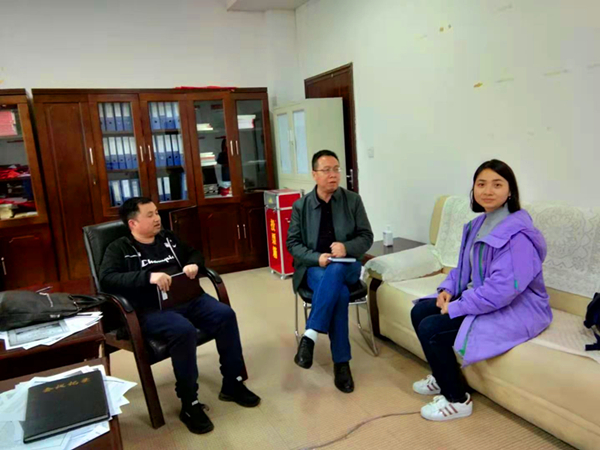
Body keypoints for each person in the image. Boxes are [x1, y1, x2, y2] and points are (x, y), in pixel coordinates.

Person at [99, 197, 260, 435]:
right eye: (150, 215)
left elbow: (194, 253)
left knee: (225, 315)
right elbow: (107, 279)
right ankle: (189, 403)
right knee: (183, 330)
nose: (157, 218)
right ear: (133, 223)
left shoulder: (168, 238)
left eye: (157, 212)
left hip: (188, 298)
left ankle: (232, 383)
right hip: (151, 309)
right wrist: (148, 277)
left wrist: (193, 264)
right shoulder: (119, 248)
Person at [411, 159, 552, 421]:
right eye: (481, 184)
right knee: (419, 311)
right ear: (474, 189)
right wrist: (448, 289)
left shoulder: (518, 236)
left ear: (510, 191)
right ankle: (443, 377)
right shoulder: (477, 225)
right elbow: (463, 268)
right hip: (481, 298)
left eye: (497, 184)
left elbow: (502, 291)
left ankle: (457, 400)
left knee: (432, 328)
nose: (488, 191)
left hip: (517, 308)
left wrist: (457, 306)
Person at [287, 150, 374, 393]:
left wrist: (346, 247)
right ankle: (342, 363)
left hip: (348, 265)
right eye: (326, 170)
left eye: (336, 169)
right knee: (340, 294)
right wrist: (317, 257)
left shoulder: (352, 200)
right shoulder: (301, 206)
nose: (333, 175)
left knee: (336, 271)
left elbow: (366, 236)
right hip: (316, 267)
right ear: (314, 174)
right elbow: (293, 244)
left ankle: (311, 334)